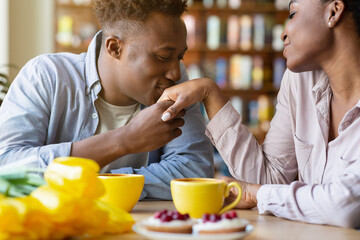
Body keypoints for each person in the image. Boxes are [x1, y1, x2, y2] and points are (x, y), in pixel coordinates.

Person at [158, 0, 360, 228]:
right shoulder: (299, 80)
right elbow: (266, 182)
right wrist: (210, 94)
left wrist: (257, 194)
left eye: (293, 14)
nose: (284, 33)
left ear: (333, 12)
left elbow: (349, 206)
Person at [0, 0, 214, 200]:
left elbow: (194, 170)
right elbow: (6, 168)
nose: (175, 73)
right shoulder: (45, 76)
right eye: (162, 57)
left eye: (179, 57)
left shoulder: (175, 86)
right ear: (114, 48)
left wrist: (90, 183)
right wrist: (124, 140)